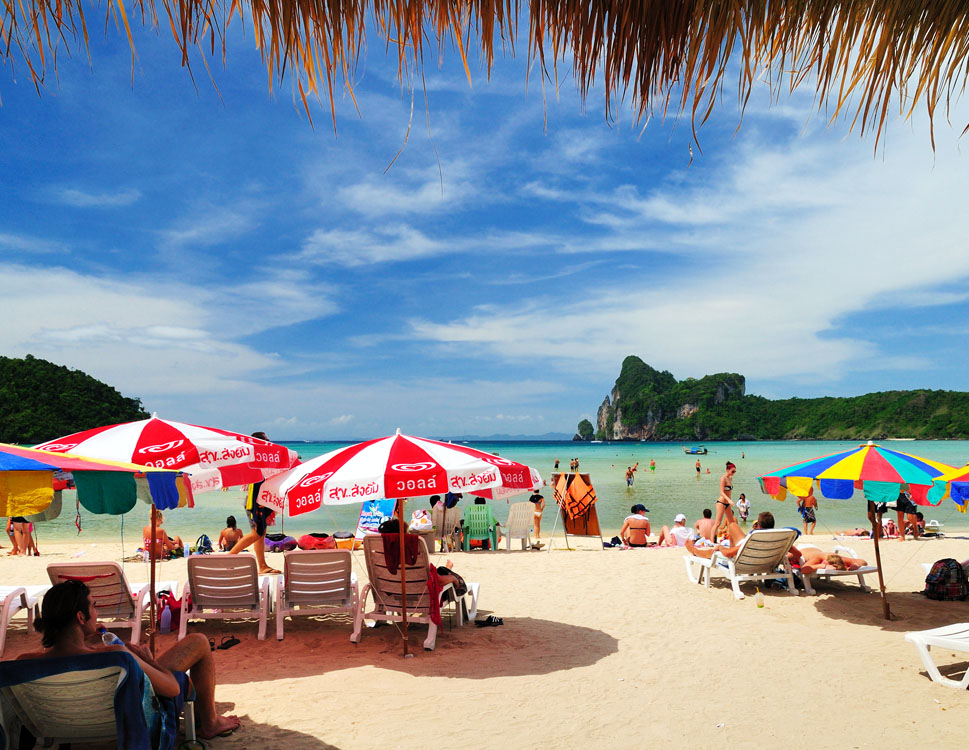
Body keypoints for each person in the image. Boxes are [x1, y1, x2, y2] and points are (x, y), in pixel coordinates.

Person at [17, 580, 240, 740]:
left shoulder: (24, 663)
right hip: (135, 720)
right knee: (196, 648)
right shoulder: (116, 655)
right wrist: (143, 658)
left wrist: (85, 644)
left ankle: (209, 718)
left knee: (192, 650)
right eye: (93, 606)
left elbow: (66, 659)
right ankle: (209, 723)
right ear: (80, 617)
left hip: (64, 723)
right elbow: (171, 689)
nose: (96, 613)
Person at [229, 431, 280, 574]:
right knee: (257, 532)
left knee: (261, 533)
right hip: (255, 501)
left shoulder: (259, 460)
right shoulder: (254, 460)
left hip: (260, 500)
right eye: (266, 440)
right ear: (259, 442)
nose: (269, 442)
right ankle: (229, 558)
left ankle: (262, 566)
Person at [686, 508, 800, 564]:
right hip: (767, 562)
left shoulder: (755, 538)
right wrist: (779, 560)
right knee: (733, 525)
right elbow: (798, 554)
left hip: (745, 562)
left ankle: (694, 551)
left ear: (758, 525)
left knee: (713, 552)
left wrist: (720, 547)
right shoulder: (780, 538)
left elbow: (727, 553)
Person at [711, 461, 737, 540]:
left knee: (732, 522)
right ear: (727, 470)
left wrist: (729, 501)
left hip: (727, 504)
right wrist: (729, 500)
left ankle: (733, 539)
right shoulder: (723, 478)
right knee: (717, 523)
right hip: (721, 502)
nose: (733, 473)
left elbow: (729, 491)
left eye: (735, 471)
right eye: (732, 471)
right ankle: (712, 541)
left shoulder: (730, 479)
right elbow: (721, 492)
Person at [798, 549, 868, 576]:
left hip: (817, 549)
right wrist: (822, 566)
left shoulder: (840, 559)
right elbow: (804, 570)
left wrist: (856, 564)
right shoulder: (818, 557)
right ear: (825, 561)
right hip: (802, 548)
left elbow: (863, 561)